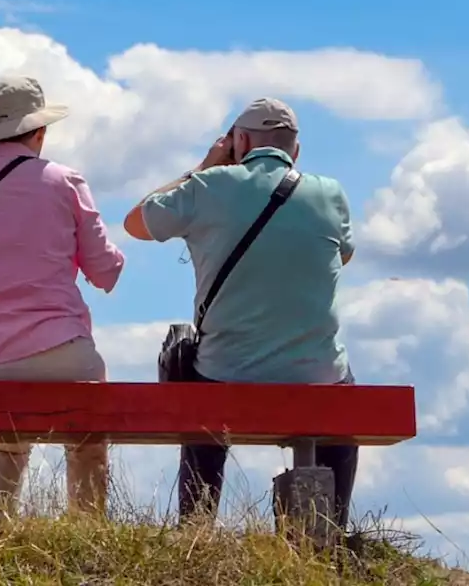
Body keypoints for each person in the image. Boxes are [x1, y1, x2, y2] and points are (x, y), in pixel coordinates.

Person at [121, 97, 358, 531]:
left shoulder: (209, 186)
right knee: (344, 387)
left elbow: (136, 222)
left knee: (195, 378)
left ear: (240, 141)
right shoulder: (330, 192)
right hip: (315, 375)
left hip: (225, 373)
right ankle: (331, 530)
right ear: (296, 151)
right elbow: (342, 256)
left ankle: (196, 529)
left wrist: (205, 166)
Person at [0, 76, 126, 522]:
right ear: (40, 131)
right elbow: (105, 271)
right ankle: (88, 528)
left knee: (4, 434)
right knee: (88, 436)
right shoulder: (64, 181)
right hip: (58, 352)